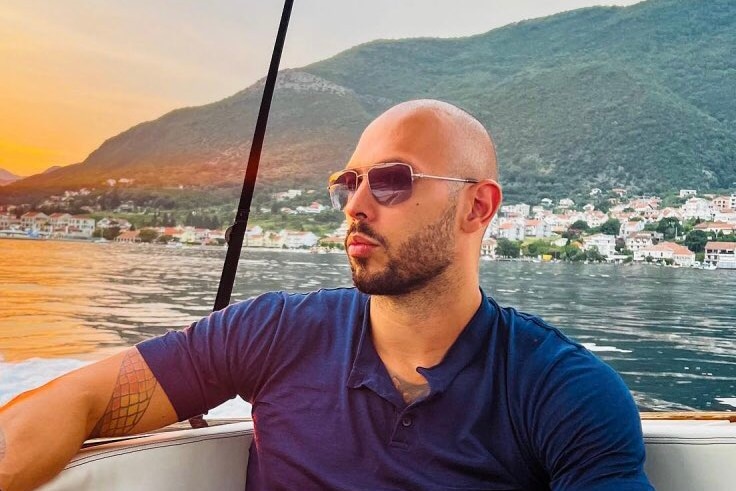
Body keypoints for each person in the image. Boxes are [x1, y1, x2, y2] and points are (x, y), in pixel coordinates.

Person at [0, 99, 652, 490]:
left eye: (392, 181)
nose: (357, 206)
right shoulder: (275, 333)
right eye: (348, 183)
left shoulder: (559, 391)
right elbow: (83, 398)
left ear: (476, 206)